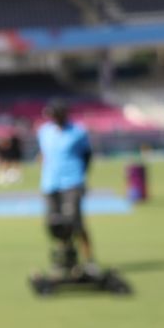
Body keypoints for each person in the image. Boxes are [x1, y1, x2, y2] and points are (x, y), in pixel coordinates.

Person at [37, 99, 94, 269]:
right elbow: (44, 154)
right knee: (55, 224)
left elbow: (87, 156)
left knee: (74, 222)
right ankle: (65, 258)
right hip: (50, 183)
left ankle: (89, 258)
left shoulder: (78, 132)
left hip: (72, 181)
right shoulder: (44, 131)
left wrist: (81, 177)